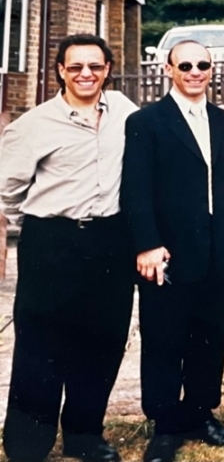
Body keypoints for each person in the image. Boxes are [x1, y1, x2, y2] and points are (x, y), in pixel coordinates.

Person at [0, 34, 137, 462]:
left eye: (95, 66)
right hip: (53, 241)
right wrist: (41, 225)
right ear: (61, 70)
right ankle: (27, 443)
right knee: (41, 343)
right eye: (75, 67)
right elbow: (6, 189)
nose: (85, 74)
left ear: (108, 69)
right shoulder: (34, 125)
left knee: (104, 338)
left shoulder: (124, 110)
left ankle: (84, 435)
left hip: (111, 240)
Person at [120, 40, 224, 462]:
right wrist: (147, 244)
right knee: (164, 337)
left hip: (216, 248)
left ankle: (201, 413)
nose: (195, 71)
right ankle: (165, 425)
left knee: (211, 334)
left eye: (202, 64)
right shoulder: (146, 121)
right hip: (167, 251)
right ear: (168, 69)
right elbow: (135, 188)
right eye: (185, 65)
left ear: (212, 69)